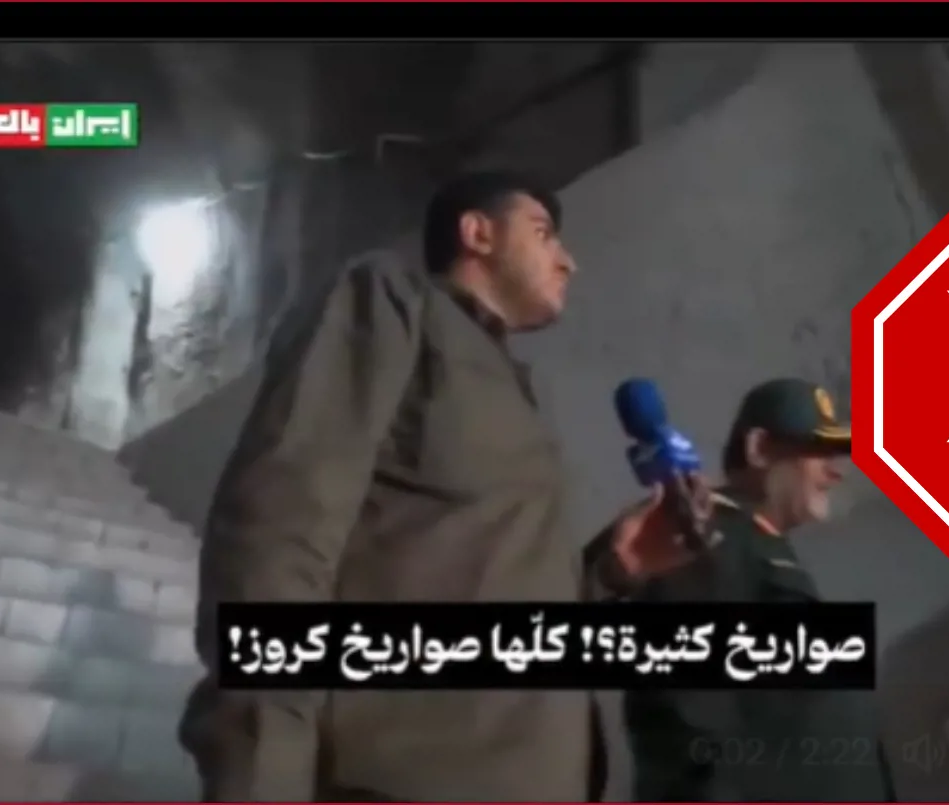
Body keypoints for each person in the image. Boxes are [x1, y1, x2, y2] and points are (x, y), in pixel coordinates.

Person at [180, 171, 709, 802]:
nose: (568, 260)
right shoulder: (393, 301)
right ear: (478, 233)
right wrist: (263, 776)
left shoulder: (517, 390)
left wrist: (612, 569)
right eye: (544, 233)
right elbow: (280, 529)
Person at [624, 378, 898, 802]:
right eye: (818, 451)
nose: (836, 470)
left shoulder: (754, 544)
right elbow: (691, 723)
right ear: (760, 449)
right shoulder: (701, 545)